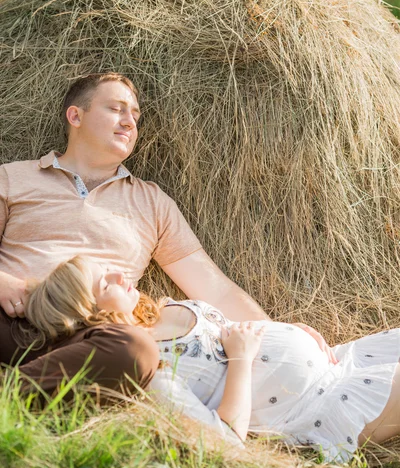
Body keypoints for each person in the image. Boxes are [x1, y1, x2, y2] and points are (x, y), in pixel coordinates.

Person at [0, 72, 332, 397]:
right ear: (75, 115)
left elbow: (212, 285)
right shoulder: (14, 178)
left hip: (90, 332)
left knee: (133, 349)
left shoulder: (151, 201)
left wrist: (276, 331)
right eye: (116, 109)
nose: (130, 122)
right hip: (15, 319)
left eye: (135, 114)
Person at [16, 255, 400, 463]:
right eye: (105, 282)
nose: (119, 274)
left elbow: (236, 329)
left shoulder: (159, 308)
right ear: (88, 312)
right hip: (322, 404)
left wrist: (290, 329)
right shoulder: (150, 368)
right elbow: (228, 441)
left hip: (340, 357)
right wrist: (241, 360)